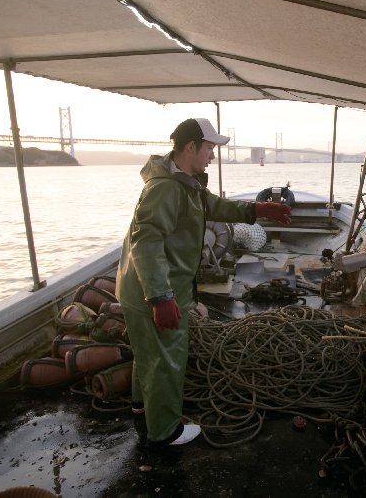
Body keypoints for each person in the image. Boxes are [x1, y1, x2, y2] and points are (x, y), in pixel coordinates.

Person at [115, 117, 291, 446]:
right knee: (167, 359)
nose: (213, 155)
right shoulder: (166, 188)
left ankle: (142, 406)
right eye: (209, 147)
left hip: (136, 287)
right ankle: (166, 431)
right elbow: (147, 240)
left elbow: (214, 205)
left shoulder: (184, 182)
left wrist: (255, 209)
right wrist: (160, 297)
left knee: (147, 352)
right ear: (191, 146)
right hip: (156, 290)